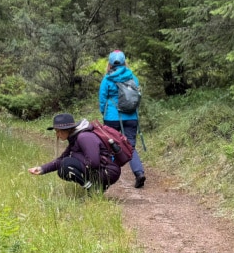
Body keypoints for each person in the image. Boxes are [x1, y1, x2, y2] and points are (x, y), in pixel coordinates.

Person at [28, 113, 121, 191]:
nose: (57, 134)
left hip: (108, 171)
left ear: (67, 129)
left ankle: (93, 189)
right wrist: (42, 169)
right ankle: (95, 188)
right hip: (101, 170)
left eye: (58, 131)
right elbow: (61, 159)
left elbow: (94, 162)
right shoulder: (74, 138)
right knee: (63, 168)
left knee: (66, 164)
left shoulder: (84, 137)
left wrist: (74, 157)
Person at [99, 49, 146, 188]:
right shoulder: (132, 77)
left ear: (110, 63)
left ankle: (108, 176)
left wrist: (105, 113)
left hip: (112, 118)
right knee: (130, 146)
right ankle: (139, 173)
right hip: (131, 117)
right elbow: (137, 96)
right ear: (125, 61)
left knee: (109, 145)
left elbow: (102, 100)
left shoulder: (107, 79)